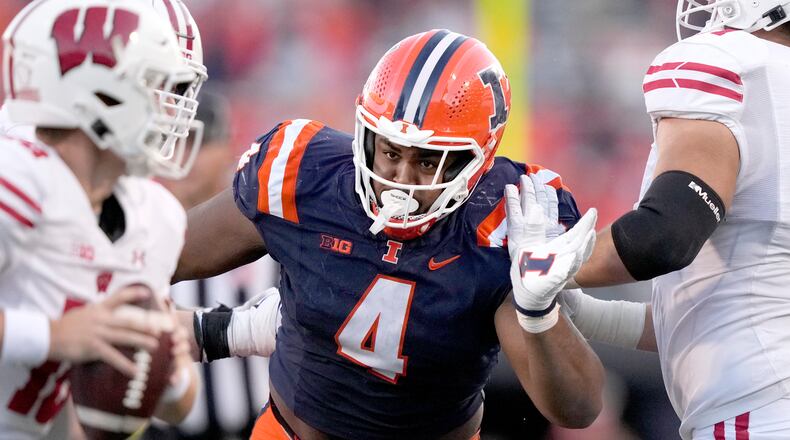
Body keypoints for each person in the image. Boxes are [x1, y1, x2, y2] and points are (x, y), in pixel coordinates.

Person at [176, 29, 604, 439]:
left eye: (427, 161)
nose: (401, 179)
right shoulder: (307, 176)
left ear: (476, 162)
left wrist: (538, 310)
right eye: (390, 152)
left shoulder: (508, 221)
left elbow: (577, 408)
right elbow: (167, 253)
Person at [510, 1, 790, 439]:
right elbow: (736, 310)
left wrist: (549, 264)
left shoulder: (735, 63)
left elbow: (665, 234)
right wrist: (586, 314)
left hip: (759, 413)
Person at [0, 0, 204, 437]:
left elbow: (177, 406)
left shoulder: (156, 217)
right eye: (155, 85)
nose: (172, 111)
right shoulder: (14, 178)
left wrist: (170, 373)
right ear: (97, 92)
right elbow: (59, 339)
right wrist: (50, 337)